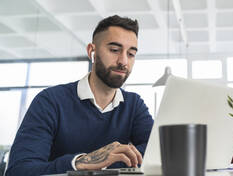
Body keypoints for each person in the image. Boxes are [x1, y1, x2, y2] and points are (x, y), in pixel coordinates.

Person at [6, 15, 154, 175]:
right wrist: (81, 163)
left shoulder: (133, 104)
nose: (124, 61)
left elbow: (156, 150)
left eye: (131, 54)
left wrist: (109, 160)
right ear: (92, 51)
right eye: (114, 50)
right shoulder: (50, 101)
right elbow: (19, 171)